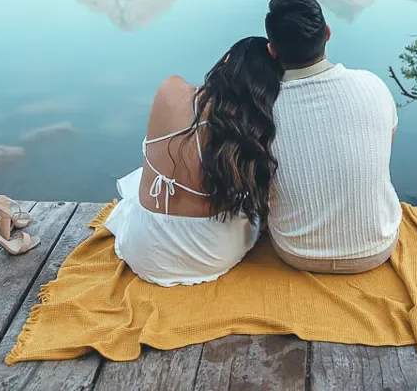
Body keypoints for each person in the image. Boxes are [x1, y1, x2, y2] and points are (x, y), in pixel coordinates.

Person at [104, 36, 283, 286]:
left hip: (144, 251)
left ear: (227, 61)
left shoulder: (171, 90)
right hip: (212, 254)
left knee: (139, 180)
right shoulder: (257, 127)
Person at [265, 0, 401, 273]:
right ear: (327, 33)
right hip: (377, 248)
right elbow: (384, 152)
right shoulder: (372, 86)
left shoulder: (263, 109)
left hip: (296, 252)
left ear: (272, 50)